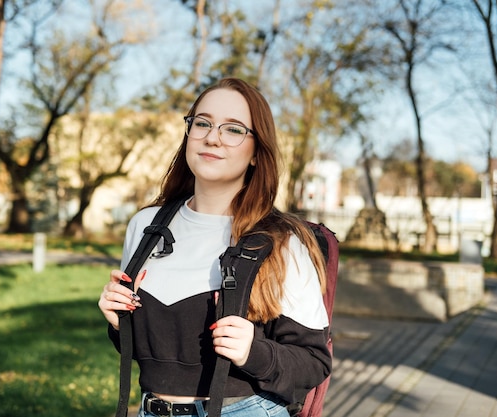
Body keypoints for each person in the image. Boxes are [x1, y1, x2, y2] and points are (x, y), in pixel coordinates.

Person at [98, 77, 331, 417]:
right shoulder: (146, 227)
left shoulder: (282, 241)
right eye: (202, 123)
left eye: (233, 129)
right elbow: (158, 356)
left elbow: (314, 363)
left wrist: (253, 350)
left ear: (256, 153)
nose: (212, 137)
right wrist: (120, 324)